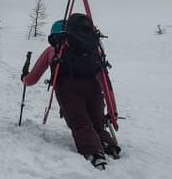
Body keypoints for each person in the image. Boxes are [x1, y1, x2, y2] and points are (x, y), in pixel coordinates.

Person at [22, 14, 121, 169]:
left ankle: (94, 154)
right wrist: (113, 109)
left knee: (81, 122)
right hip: (93, 89)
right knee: (97, 123)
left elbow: (33, 78)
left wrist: (24, 79)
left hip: (68, 88)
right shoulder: (93, 49)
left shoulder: (53, 49)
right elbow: (104, 80)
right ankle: (109, 146)